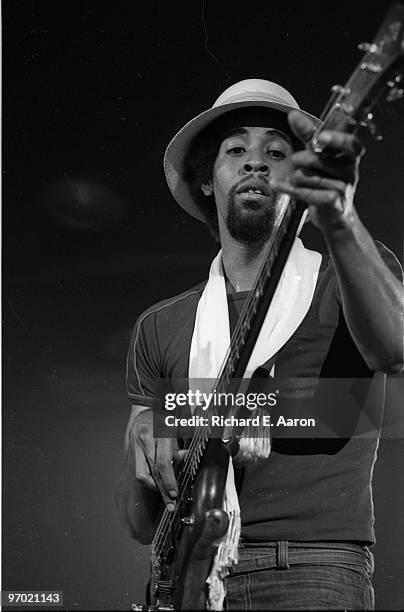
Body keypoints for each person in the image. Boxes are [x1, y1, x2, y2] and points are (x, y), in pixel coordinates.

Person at [115, 79, 403, 610]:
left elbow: (386, 377)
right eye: (235, 151)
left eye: (276, 152)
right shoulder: (160, 325)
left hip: (310, 568)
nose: (255, 163)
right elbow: (139, 522)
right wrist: (139, 437)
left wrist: (339, 216)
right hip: (184, 580)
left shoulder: (346, 277)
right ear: (207, 179)